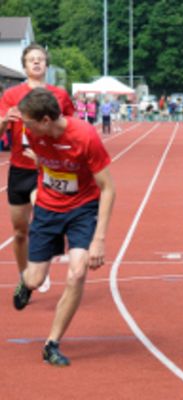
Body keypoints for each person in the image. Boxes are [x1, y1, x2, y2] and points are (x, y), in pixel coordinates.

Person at [12, 88, 115, 366]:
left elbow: (108, 189)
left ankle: (52, 343)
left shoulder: (85, 137)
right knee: (35, 279)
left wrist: (99, 240)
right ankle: (26, 282)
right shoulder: (33, 133)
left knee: (78, 272)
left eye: (29, 121)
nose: (25, 126)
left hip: (82, 209)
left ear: (45, 120)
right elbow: (41, 163)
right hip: (47, 209)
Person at [0, 44, 75, 295]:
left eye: (40, 59)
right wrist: (4, 120)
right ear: (24, 65)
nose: (36, 63)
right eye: (31, 59)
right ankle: (25, 279)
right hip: (19, 169)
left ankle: (39, 268)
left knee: (40, 220)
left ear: (46, 64)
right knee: (20, 232)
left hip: (47, 167)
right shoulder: (11, 95)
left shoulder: (59, 95)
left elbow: (70, 128)